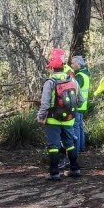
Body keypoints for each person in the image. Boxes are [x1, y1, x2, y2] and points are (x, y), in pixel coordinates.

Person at [36, 48, 83, 180]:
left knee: (54, 145)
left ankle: (54, 172)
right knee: (70, 144)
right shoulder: (72, 80)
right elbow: (81, 99)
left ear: (51, 69)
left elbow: (45, 103)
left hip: (53, 119)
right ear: (62, 68)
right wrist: (71, 110)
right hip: (69, 119)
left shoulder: (50, 82)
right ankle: (75, 169)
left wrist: (40, 117)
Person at [70, 55, 91, 153]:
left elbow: (73, 89)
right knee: (80, 127)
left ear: (78, 64)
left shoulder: (80, 76)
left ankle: (77, 149)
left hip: (78, 105)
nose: (72, 65)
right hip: (83, 105)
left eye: (73, 63)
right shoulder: (85, 74)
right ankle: (81, 147)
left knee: (76, 127)